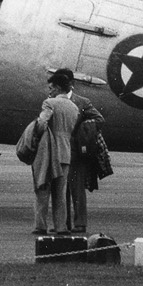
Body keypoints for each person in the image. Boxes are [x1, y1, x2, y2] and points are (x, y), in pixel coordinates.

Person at [50, 68, 105, 233]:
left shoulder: (82, 102)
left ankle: (80, 223)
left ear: (71, 83)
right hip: (59, 151)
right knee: (60, 189)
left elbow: (98, 119)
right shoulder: (51, 100)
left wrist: (81, 129)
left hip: (76, 152)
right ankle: (63, 224)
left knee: (77, 188)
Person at [31, 71, 78, 234]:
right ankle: (61, 227)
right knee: (60, 192)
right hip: (65, 153)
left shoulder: (49, 103)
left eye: (51, 88)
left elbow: (42, 123)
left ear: (58, 88)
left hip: (48, 153)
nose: (49, 91)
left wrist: (36, 133)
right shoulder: (74, 107)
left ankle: (40, 226)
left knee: (42, 188)